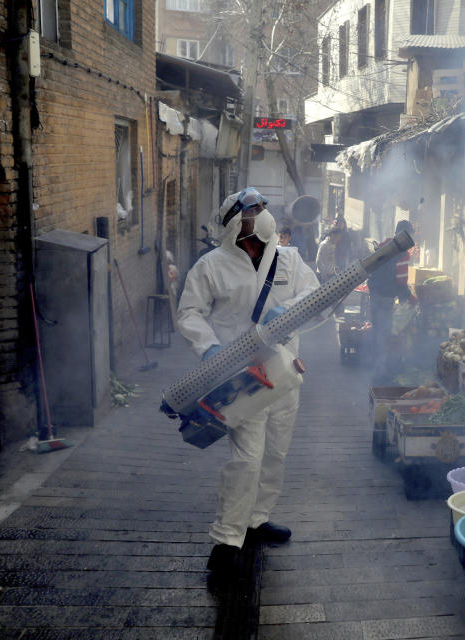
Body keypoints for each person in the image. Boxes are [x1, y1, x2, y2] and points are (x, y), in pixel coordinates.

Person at [177, 187, 319, 576]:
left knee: (276, 453)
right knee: (246, 459)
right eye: (253, 208)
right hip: (241, 379)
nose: (262, 212)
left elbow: (317, 298)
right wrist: (208, 349)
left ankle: (257, 520)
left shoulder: (290, 258)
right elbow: (189, 312)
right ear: (235, 222)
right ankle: (226, 538)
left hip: (285, 374)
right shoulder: (211, 266)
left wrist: (286, 310)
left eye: (262, 207)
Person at [368, 220, 414, 380]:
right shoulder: (403, 253)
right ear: (407, 235)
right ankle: (380, 372)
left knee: (376, 331)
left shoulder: (384, 244)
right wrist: (409, 297)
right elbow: (401, 280)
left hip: (374, 293)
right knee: (385, 333)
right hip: (386, 297)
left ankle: (374, 365)